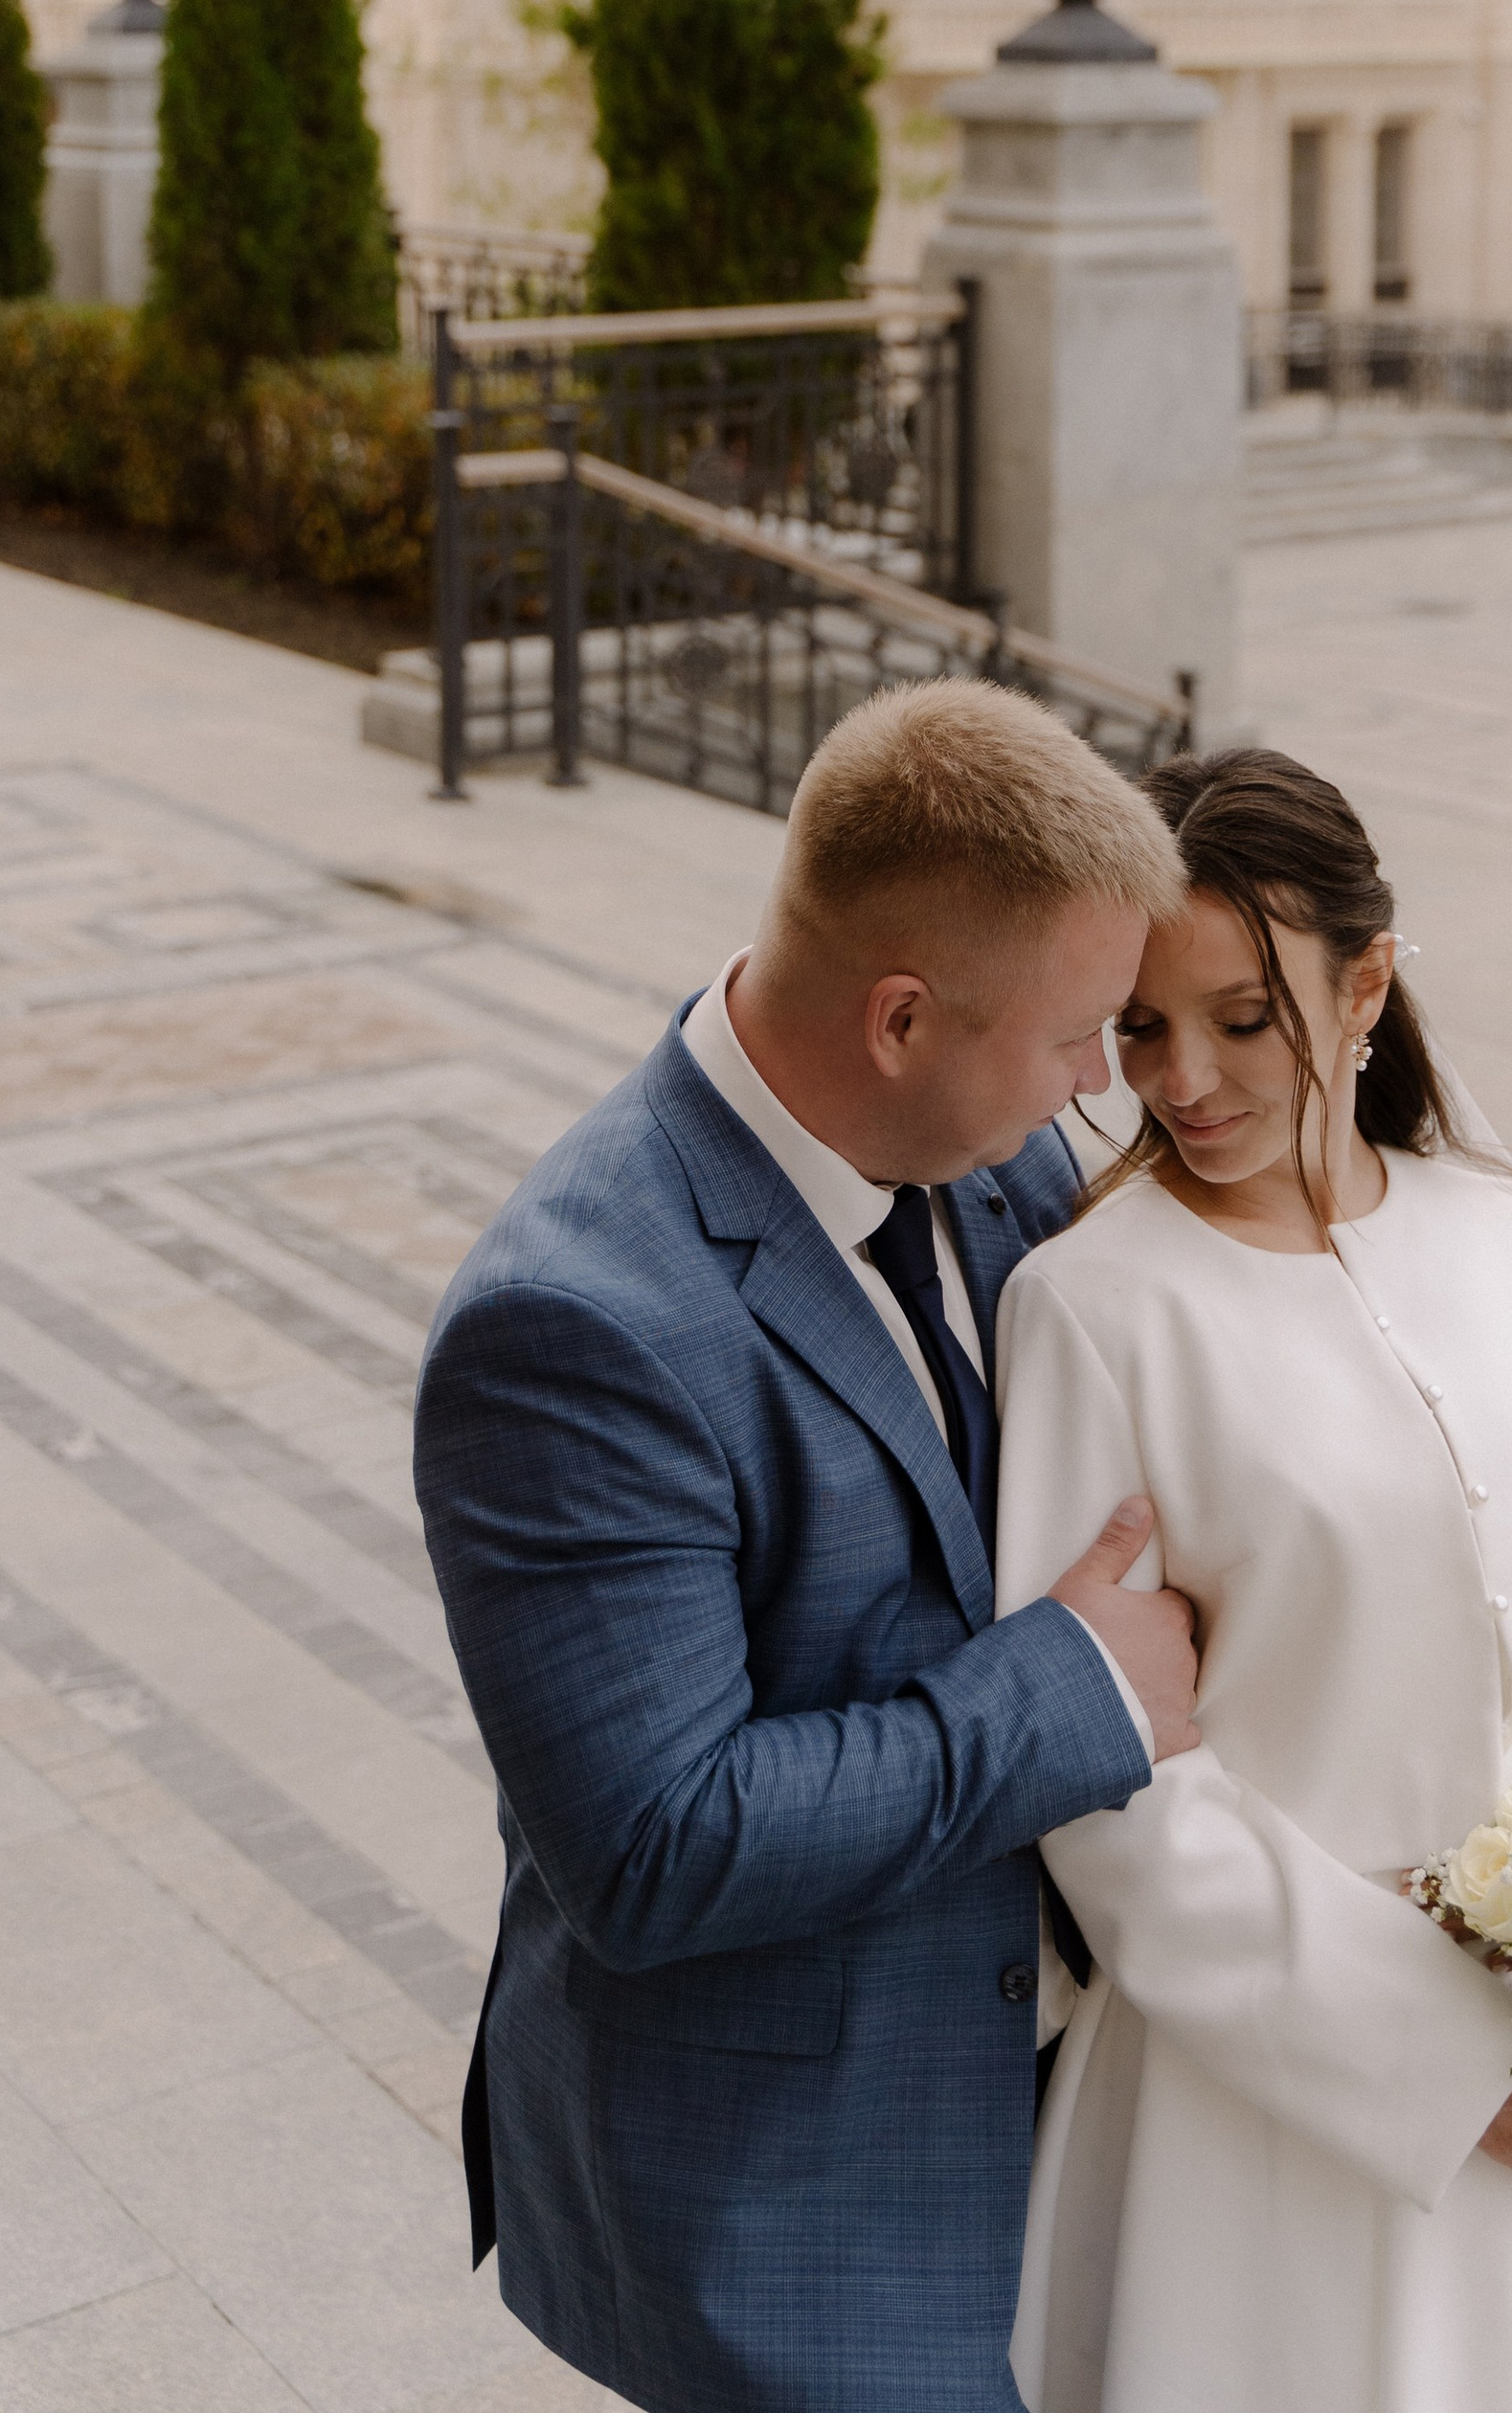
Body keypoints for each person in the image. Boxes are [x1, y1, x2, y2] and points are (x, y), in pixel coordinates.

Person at [414, 679, 1205, 2413]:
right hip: (784, 2197)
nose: (1101, 1091)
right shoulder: (576, 1326)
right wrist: (1067, 1688)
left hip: (1060, 2109)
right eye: (1079, 1037)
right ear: (903, 1019)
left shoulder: (990, 1162)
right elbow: (656, 1846)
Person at [995, 747, 1512, 2413]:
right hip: (1274, 2131)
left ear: (1367, 986)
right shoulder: (1091, 1308)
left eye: (1243, 1016)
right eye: (1140, 1026)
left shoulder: (1510, 1233)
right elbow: (1107, 1784)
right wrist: (1451, 2070)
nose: (1184, 1080)